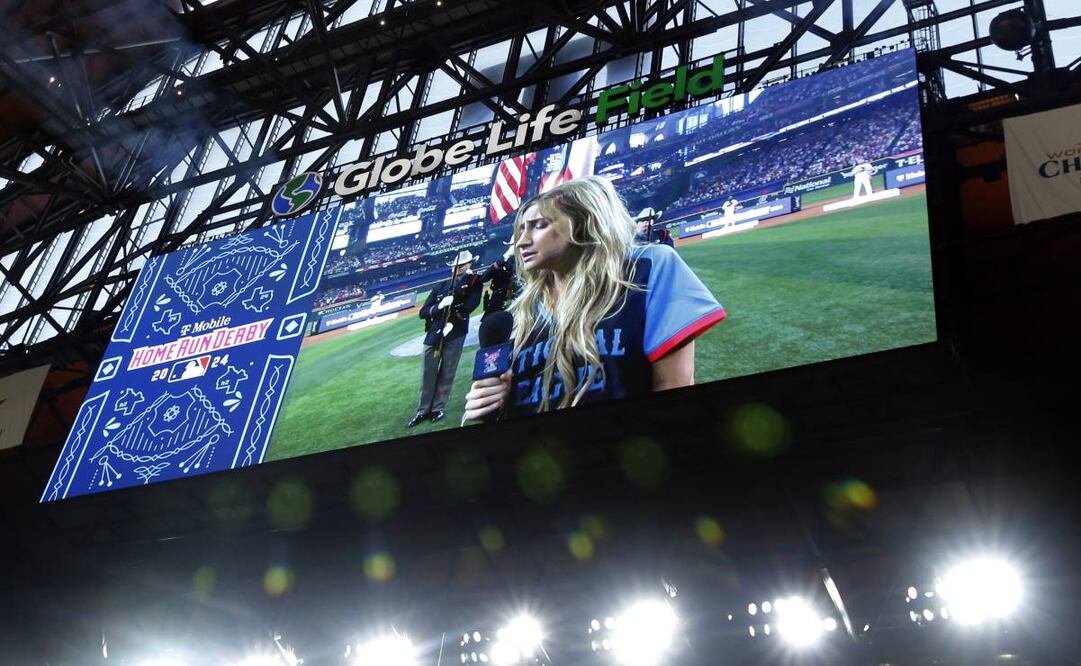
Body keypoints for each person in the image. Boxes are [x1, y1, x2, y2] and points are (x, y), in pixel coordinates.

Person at [463, 176, 725, 422]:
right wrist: (503, 397)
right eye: (521, 229)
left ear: (584, 223)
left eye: (539, 225)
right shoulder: (522, 310)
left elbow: (673, 386)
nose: (521, 242)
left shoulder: (647, 269)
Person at [408, 250, 483, 427]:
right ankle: (423, 410)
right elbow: (423, 312)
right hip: (434, 334)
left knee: (447, 371)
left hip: (455, 332)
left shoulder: (474, 281)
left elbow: (472, 304)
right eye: (457, 266)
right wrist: (439, 306)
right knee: (428, 373)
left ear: (470, 264)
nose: (459, 268)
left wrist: (454, 320)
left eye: (463, 265)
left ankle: (437, 408)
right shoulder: (440, 287)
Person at [479, 246, 517, 319]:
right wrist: (503, 259)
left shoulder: (522, 263)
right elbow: (483, 278)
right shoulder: (500, 263)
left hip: (514, 302)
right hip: (496, 302)